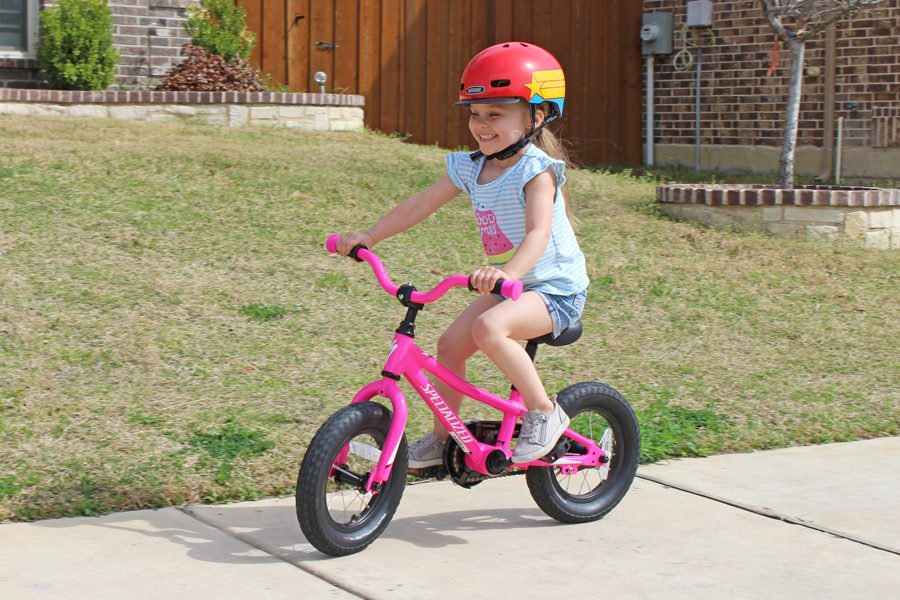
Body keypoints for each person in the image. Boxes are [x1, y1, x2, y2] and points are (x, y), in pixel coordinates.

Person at [336, 42, 589, 466]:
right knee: (450, 345)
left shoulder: (537, 170)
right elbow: (418, 205)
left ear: (535, 116)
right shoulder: (472, 166)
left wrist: (507, 272)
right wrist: (369, 235)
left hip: (556, 290)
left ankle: (545, 412)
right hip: (516, 285)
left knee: (489, 328)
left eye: (496, 114)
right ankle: (444, 439)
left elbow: (538, 233)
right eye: (475, 114)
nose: (481, 125)